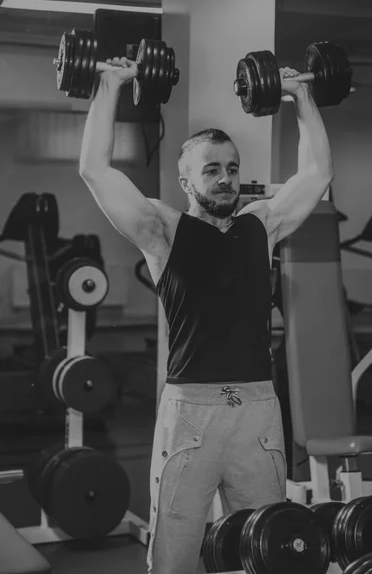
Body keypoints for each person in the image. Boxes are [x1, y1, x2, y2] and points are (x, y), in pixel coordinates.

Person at [79, 56, 334, 574]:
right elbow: (95, 170)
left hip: (258, 412)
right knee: (173, 554)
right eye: (212, 170)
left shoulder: (261, 226)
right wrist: (109, 84)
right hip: (191, 414)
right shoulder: (163, 230)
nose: (225, 179)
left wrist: (302, 96)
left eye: (233, 169)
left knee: (267, 551)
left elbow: (317, 173)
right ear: (185, 179)